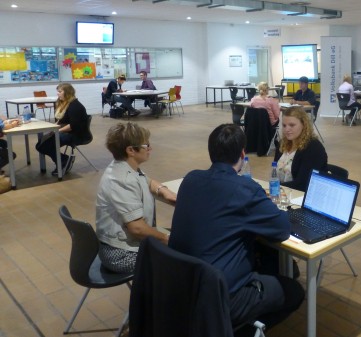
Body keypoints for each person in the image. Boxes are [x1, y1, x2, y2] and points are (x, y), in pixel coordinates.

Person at [169, 124, 304, 332]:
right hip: (223, 297)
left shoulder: (191, 179)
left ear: (210, 151)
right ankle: (238, 329)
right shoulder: (245, 189)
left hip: (184, 284)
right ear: (242, 153)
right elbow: (282, 229)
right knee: (294, 291)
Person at [96, 122, 177, 273]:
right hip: (119, 253)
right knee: (184, 257)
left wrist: (163, 190)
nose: (150, 148)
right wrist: (167, 239)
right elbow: (137, 229)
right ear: (131, 150)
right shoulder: (121, 180)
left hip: (126, 244)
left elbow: (147, 181)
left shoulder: (125, 167)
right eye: (146, 145)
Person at [35, 83, 87, 176]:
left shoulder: (75, 106)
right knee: (40, 144)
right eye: (58, 92)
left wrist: (57, 131)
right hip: (65, 131)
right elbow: (60, 121)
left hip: (76, 134)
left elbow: (72, 126)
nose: (58, 94)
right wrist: (54, 129)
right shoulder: (64, 104)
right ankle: (64, 159)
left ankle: (62, 162)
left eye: (60, 92)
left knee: (45, 145)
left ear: (67, 93)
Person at [274, 107, 327, 192]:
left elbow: (302, 184)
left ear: (303, 125)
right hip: (283, 192)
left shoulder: (313, 148)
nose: (287, 129)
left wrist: (276, 187)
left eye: (292, 125)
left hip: (302, 195)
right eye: (284, 125)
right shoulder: (282, 144)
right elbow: (274, 173)